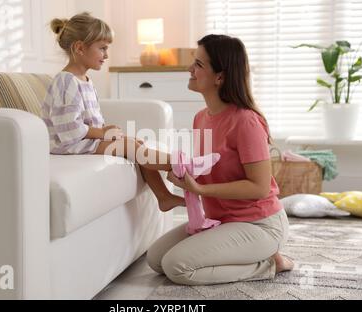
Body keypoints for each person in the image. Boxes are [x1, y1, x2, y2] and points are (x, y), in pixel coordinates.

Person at [147, 34, 294, 285]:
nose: (189, 69)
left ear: (220, 77)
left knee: (177, 268)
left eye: (199, 65)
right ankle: (248, 255)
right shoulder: (201, 118)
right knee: (156, 259)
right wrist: (154, 161)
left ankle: (268, 263)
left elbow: (258, 187)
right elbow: (207, 168)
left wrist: (201, 189)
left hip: (259, 225)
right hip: (220, 220)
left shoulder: (246, 121)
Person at [42, 12, 184, 212]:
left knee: (136, 143)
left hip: (83, 141)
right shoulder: (66, 81)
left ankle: (164, 196)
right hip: (66, 146)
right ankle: (180, 164)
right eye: (102, 48)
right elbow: (69, 130)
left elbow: (87, 122)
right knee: (130, 146)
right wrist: (101, 133)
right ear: (79, 48)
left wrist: (104, 130)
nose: (106, 55)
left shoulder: (85, 81)